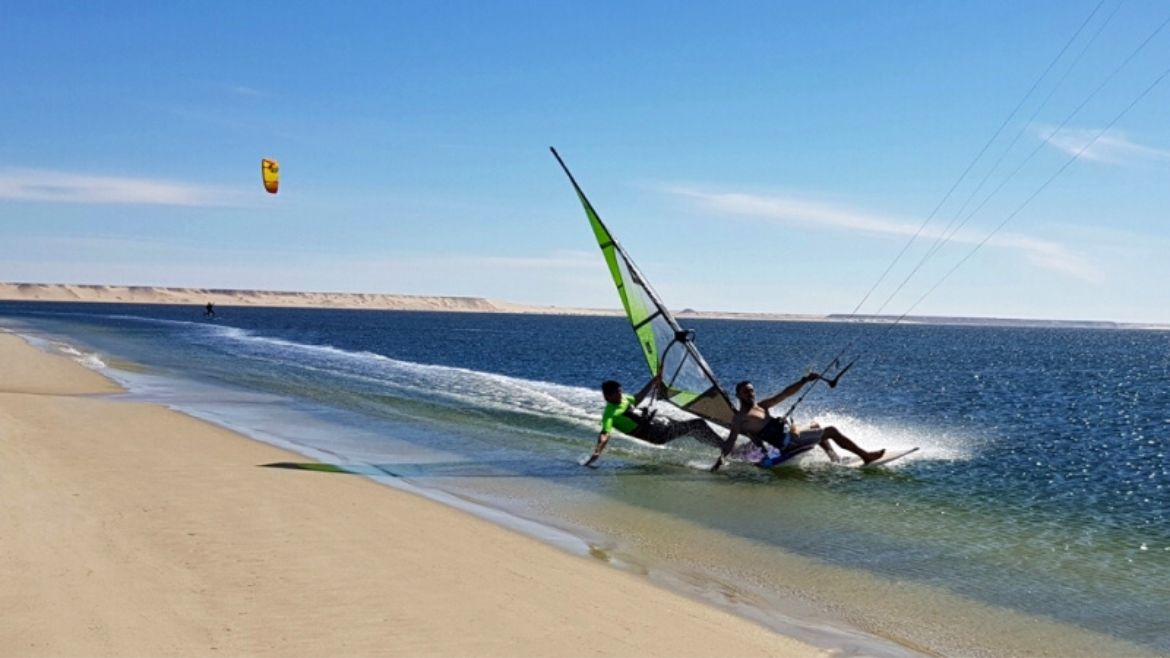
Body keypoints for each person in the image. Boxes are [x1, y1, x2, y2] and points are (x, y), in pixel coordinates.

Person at [709, 373, 884, 472]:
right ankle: (865, 456)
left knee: (815, 425)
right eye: (746, 392)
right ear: (738, 395)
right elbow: (731, 440)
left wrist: (803, 380)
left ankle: (833, 457)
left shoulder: (761, 406)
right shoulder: (740, 417)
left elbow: (785, 394)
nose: (751, 394)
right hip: (788, 442)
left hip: (789, 436)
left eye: (752, 391)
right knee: (830, 430)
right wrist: (720, 461)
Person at [584, 373, 726, 467]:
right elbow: (604, 434)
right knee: (697, 424)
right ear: (607, 396)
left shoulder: (624, 398)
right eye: (617, 394)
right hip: (657, 435)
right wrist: (597, 451)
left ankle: (722, 447)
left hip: (660, 424)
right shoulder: (610, 414)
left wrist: (653, 381)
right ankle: (727, 448)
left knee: (692, 429)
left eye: (621, 392)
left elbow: (637, 398)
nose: (621, 396)